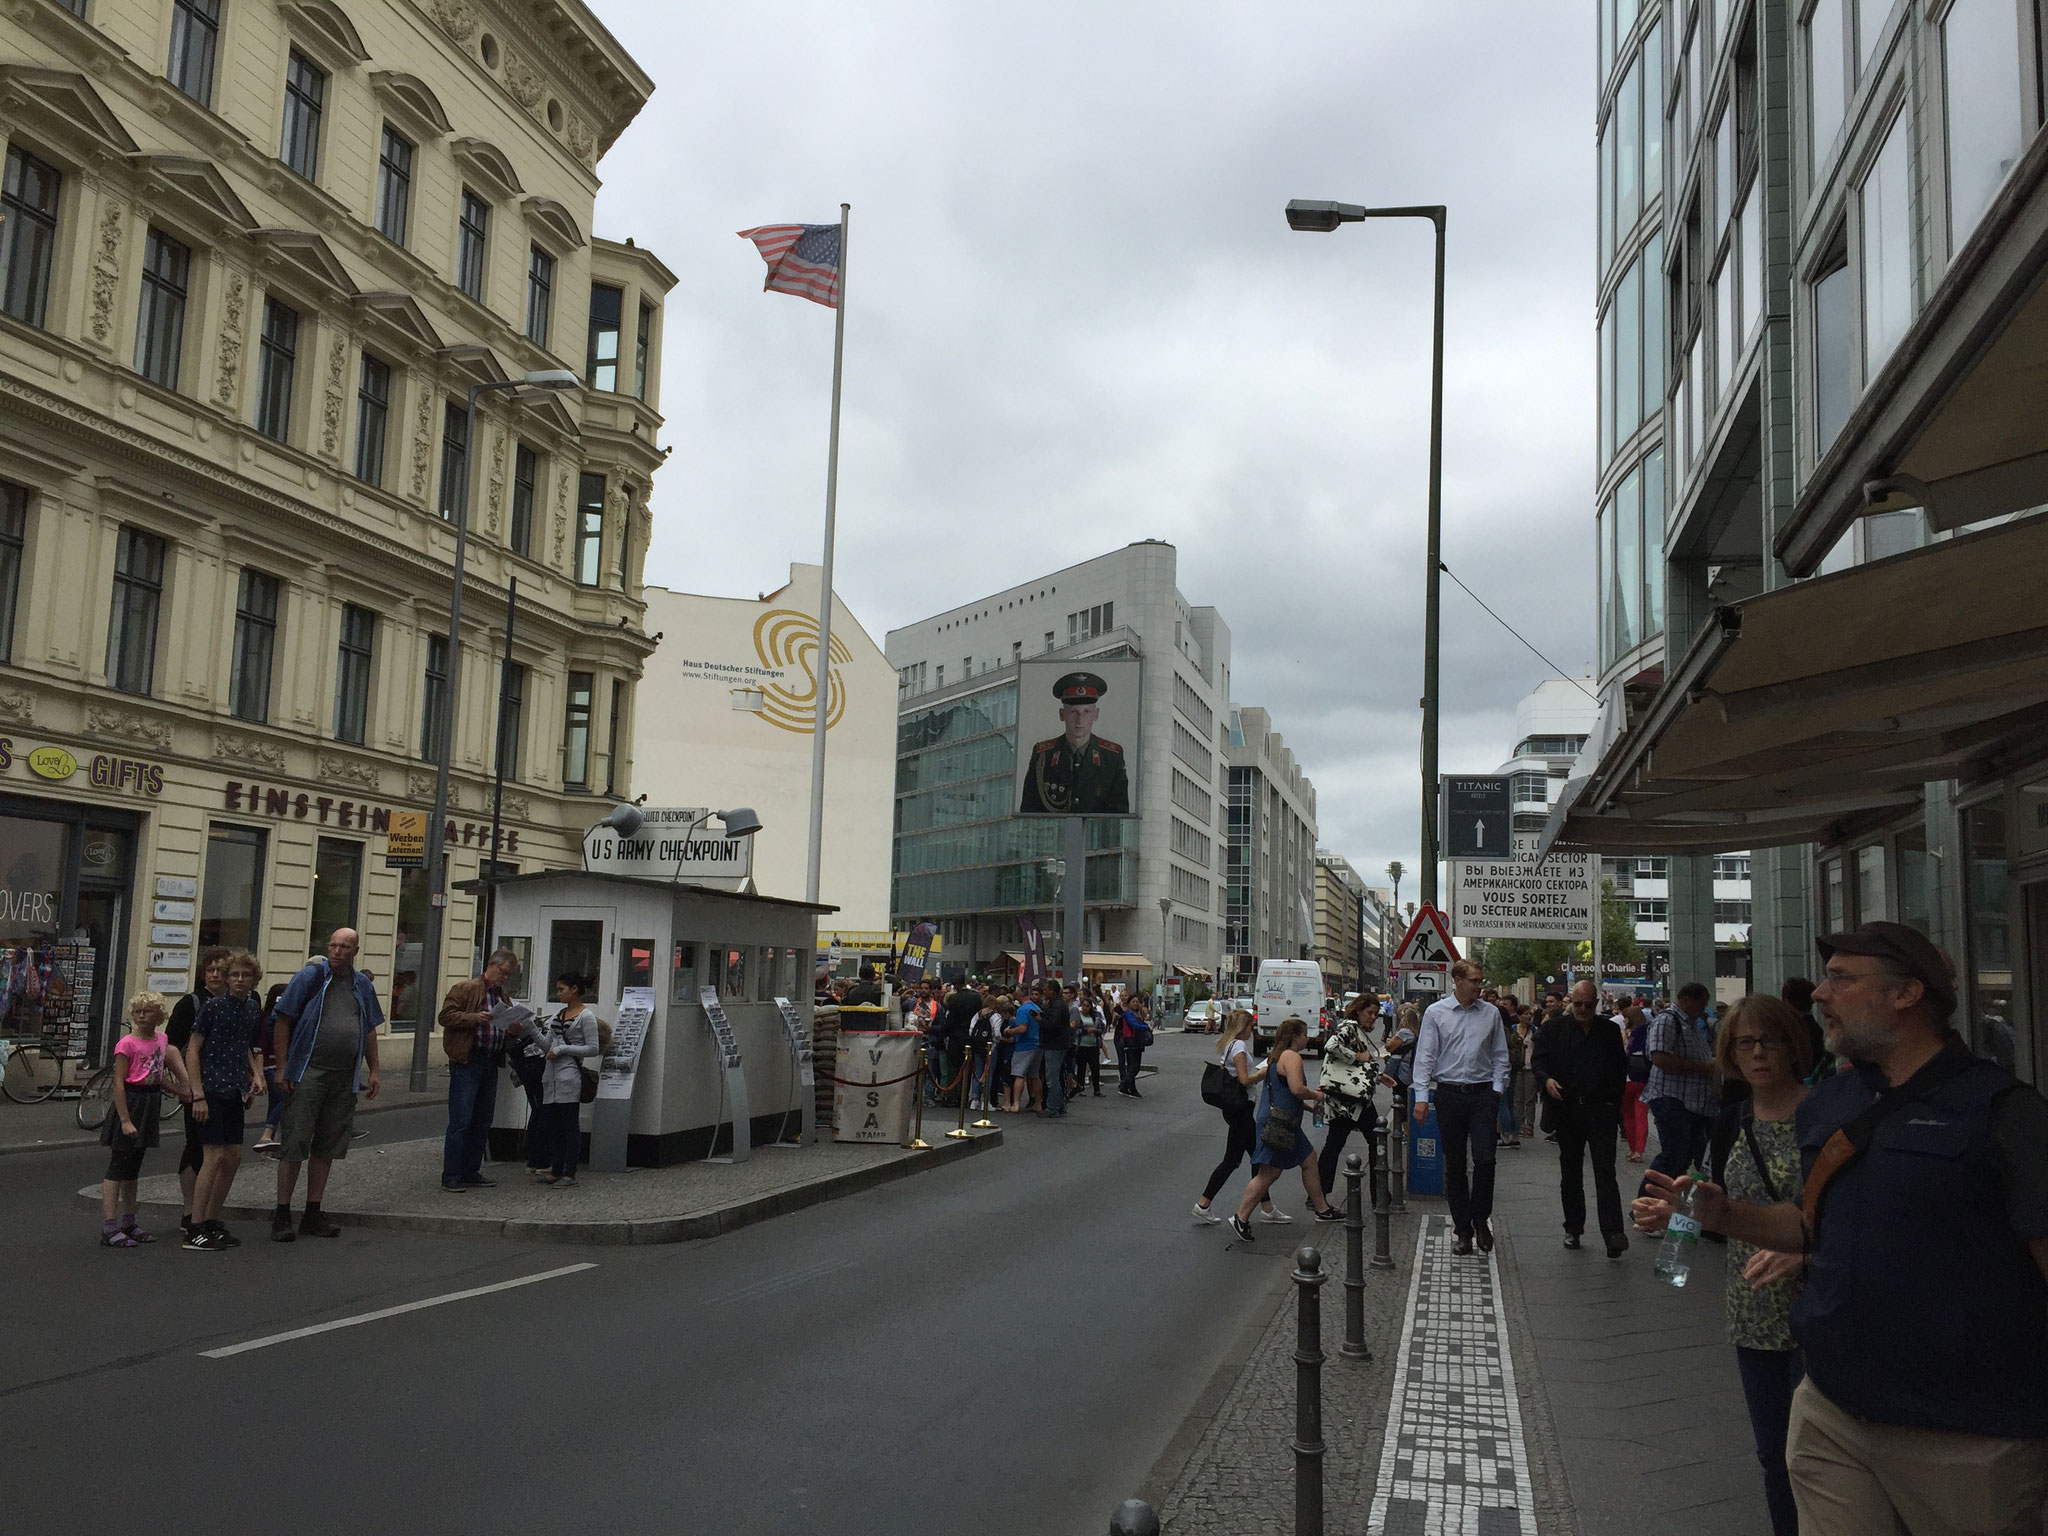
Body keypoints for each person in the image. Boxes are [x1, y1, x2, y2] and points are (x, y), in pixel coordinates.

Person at [1633, 922, 2048, 1536]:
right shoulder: (1832, 1106)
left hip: (1965, 1433)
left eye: (1842, 979)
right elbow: (1809, 1223)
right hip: (1831, 1416)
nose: (1821, 995)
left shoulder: (2005, 1114)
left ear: (1906, 994)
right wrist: (1724, 1215)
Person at [1702, 994, 1814, 1536]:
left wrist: (1808, 1252)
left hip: (1820, 1310)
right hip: (1752, 1313)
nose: (1759, 1053)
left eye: (1770, 1040)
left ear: (1795, 1046)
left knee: (1816, 1457)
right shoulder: (1729, 1123)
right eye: (1745, 1043)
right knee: (1774, 1455)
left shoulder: (1827, 1115)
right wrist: (1669, 1215)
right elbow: (1707, 1201)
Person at [270, 928, 385, 1242]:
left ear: (355, 951)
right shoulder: (310, 977)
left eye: (345, 946)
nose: (337, 951)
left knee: (327, 1145)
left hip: (344, 1076)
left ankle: (312, 1210)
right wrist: (282, 1068)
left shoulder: (361, 984)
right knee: (295, 1142)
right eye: (333, 945)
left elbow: (370, 1028)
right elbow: (282, 1020)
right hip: (308, 1071)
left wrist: (374, 1069)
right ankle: (281, 1213)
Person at [1411, 959, 1511, 1255]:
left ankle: (1481, 1218)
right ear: (1457, 980)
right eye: (1475, 981)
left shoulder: (1490, 1013)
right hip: (1450, 1094)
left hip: (1482, 1096)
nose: (1480, 986)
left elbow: (1500, 1055)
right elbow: (1425, 1056)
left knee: (1485, 1159)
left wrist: (1496, 1090)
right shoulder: (1436, 1013)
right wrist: (1420, 1097)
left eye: (1481, 980)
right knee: (1454, 1165)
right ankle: (1463, 1230)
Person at [1532, 980, 1629, 1258]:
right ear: (1569, 1003)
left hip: (1601, 1111)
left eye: (1589, 1004)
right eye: (1578, 1004)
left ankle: (1613, 1233)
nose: (1584, 1009)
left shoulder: (1609, 1030)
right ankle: (1573, 1228)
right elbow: (1539, 1062)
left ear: (1597, 1003)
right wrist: (1547, 1080)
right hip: (1568, 1110)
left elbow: (1619, 1069)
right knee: (1570, 1171)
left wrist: (1612, 1103)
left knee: (1606, 1172)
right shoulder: (1553, 1029)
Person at [1229, 1017, 1344, 1239]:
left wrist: (1310, 1108)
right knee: (1268, 1173)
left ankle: (1322, 1209)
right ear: (1294, 1037)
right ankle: (1240, 1217)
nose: (1307, 1038)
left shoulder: (1277, 1057)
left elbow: (1284, 1092)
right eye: (1304, 1034)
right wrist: (1317, 1095)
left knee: (1309, 1161)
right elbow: (1296, 1089)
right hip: (1280, 1123)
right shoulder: (1291, 1057)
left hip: (1281, 1120)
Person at [181, 952, 265, 1250]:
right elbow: (192, 1049)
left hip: (233, 1090)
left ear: (254, 979)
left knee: (233, 1157)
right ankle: (195, 1226)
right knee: (212, 1156)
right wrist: (197, 1093)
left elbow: (244, 1045)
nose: (239, 980)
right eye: (234, 975)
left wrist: (254, 1075)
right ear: (227, 979)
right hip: (211, 1090)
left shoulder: (253, 1008)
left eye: (245, 975)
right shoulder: (212, 1007)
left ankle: (213, 1221)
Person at [98, 990, 190, 1248]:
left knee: (133, 1168)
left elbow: (157, 1075)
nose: (140, 1015)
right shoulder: (126, 1044)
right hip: (131, 1101)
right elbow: (118, 1083)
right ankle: (109, 1227)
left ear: (158, 1016)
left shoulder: (161, 1040)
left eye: (146, 1011)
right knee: (118, 1164)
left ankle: (129, 1222)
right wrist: (125, 1119)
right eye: (137, 1011)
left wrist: (183, 1091)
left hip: (150, 1101)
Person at [1194, 1010, 1287, 1225]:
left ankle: (1205, 1204)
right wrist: (1262, 1073)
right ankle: (1263, 1208)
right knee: (1255, 1157)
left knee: (1237, 1159)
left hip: (1235, 1110)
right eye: (1250, 1026)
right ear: (1242, 1027)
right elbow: (1244, 1080)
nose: (1252, 1030)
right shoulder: (1239, 1047)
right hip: (1241, 1108)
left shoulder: (1229, 1045)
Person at [437, 948, 518, 1192]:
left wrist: (513, 1028)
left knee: (482, 1121)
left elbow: (506, 1025)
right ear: (492, 965)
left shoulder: (503, 996)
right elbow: (445, 1017)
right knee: (461, 1120)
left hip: (490, 1060)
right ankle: (451, 1175)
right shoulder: (466, 988)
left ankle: (471, 1171)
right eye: (503, 972)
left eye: (509, 975)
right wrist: (474, 1017)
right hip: (467, 1060)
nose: (505, 978)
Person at [164, 947, 229, 1240]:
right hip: (197, 1088)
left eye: (220, 969)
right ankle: (190, 1212)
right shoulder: (191, 1003)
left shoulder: (238, 1002)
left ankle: (207, 1213)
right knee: (197, 1147)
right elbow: (171, 1046)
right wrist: (186, 1084)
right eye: (210, 969)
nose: (215, 974)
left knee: (221, 1151)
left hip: (225, 1088)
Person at [1018, 670, 1130, 814]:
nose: (1079, 720)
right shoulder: (1043, 755)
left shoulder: (1112, 756)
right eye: (1073, 712)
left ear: (1096, 715)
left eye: (1086, 712)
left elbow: (1119, 815)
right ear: (1062, 714)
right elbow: (1029, 810)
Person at [1642, 981, 1718, 1189]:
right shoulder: (1668, 1021)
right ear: (1686, 1000)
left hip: (1691, 1104)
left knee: (1684, 1156)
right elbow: (1660, 1058)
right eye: (1700, 1005)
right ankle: (1646, 1197)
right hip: (1671, 1099)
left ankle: (1668, 1198)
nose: (1703, 1010)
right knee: (1674, 1154)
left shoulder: (1691, 1025)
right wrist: (1703, 1068)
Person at [529, 971, 602, 1186]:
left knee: (569, 1125)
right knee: (553, 1125)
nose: (558, 993)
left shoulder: (585, 1016)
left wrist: (562, 1049)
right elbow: (546, 1045)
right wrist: (530, 1028)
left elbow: (593, 1048)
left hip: (569, 1075)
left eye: (562, 989)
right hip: (550, 1076)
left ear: (574, 989)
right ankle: (556, 1169)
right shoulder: (558, 1015)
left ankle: (570, 1173)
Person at [1315, 996, 1382, 1205]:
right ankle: (1378, 1195)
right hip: (1349, 1100)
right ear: (1358, 1011)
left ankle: (1317, 1195)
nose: (1373, 1017)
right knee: (1377, 1141)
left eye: (1375, 1014)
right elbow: (1331, 1046)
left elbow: (1355, 1071)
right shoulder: (1349, 1028)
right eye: (1369, 1013)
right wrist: (1356, 1056)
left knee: (1334, 1144)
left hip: (1347, 1098)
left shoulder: (1357, 1031)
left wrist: (1378, 1077)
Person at [249, 981, 290, 1156]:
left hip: (270, 1067)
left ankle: (267, 1147)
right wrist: (260, 1075)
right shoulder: (270, 1022)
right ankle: (267, 1134)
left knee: (274, 1104)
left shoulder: (266, 1018)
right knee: (287, 1099)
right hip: (273, 1067)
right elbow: (261, 1049)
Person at [1619, 1003, 1651, 1162]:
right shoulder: (1648, 1032)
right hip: (1644, 1078)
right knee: (1641, 1115)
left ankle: (1632, 1149)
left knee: (1628, 1115)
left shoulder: (1626, 1034)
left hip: (1627, 1079)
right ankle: (1639, 1150)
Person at [1037, 979, 1072, 1118]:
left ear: (1052, 991)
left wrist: (1041, 1020)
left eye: (1045, 990)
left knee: (1052, 1077)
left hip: (1054, 1044)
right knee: (1056, 1075)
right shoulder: (1056, 1004)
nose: (1044, 992)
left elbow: (1053, 1025)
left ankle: (1052, 1108)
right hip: (1058, 1043)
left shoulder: (1057, 1005)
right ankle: (1060, 1105)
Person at [1005, 987, 1042, 1113]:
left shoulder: (1022, 1010)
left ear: (1019, 994)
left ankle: (1015, 1104)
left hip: (1024, 1046)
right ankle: (1038, 1104)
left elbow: (1022, 1028)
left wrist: (1009, 1031)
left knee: (1019, 1075)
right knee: (1035, 1076)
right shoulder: (1036, 1008)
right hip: (1037, 1044)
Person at [1499, 997, 1527, 1148]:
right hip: (1514, 1068)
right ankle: (1515, 1134)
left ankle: (1506, 1135)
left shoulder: (1501, 1031)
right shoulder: (1512, 1030)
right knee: (1511, 1102)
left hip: (1504, 1070)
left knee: (1502, 1103)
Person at [1116, 994, 1150, 1097]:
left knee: (1136, 1067)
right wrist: (1147, 1027)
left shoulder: (1137, 1014)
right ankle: (1129, 1087)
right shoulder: (1128, 1014)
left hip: (1138, 1043)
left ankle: (1125, 1086)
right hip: (1130, 1042)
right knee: (1132, 1067)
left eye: (1137, 1002)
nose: (1135, 1003)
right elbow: (1134, 1025)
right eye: (1133, 1002)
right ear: (1129, 1003)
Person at [1072, 991, 1105, 1098]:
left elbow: (1102, 1028)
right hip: (1081, 1045)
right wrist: (1086, 1031)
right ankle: (1080, 1088)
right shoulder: (1078, 1016)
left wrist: (1096, 1031)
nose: (1085, 1008)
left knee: (1095, 1068)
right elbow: (1075, 1030)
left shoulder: (1096, 1016)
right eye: (1083, 1006)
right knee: (1081, 1068)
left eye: (1087, 1006)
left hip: (1093, 1045)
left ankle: (1097, 1090)